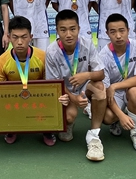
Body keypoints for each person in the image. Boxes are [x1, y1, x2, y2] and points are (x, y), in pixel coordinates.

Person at [46, 9, 108, 161]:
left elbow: (100, 74)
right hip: (64, 91)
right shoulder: (51, 52)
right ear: (57, 31)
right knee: (69, 117)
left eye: (72, 29)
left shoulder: (87, 44)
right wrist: (74, 99)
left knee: (100, 88)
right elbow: (55, 84)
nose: (68, 34)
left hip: (85, 87)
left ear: (79, 29)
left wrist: (86, 75)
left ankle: (94, 136)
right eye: (63, 30)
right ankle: (70, 123)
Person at [0, 16, 47, 147]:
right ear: (8, 37)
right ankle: (11, 128)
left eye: (24, 37)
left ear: (31, 37)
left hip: (38, 98)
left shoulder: (43, 57)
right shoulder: (1, 61)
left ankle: (47, 129)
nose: (19, 42)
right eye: (15, 37)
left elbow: (50, 86)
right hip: (13, 99)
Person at [99, 14, 136, 152]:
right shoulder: (103, 55)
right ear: (107, 33)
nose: (118, 36)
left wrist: (115, 86)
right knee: (107, 117)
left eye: (122, 30)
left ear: (128, 30)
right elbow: (106, 90)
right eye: (113, 32)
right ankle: (117, 119)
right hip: (115, 93)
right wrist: (121, 116)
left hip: (134, 87)